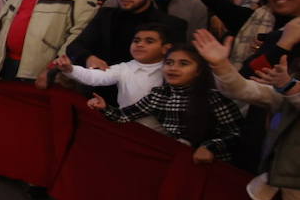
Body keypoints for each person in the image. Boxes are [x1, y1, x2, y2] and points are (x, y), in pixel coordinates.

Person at [194, 30, 300, 200]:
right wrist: (220, 65)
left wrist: (290, 88)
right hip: (270, 188)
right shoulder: (286, 90)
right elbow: (243, 89)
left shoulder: (290, 89)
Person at [88, 44, 244, 165]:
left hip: (216, 166)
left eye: (183, 64)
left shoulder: (213, 97)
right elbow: (124, 116)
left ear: (198, 71)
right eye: (169, 63)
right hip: (179, 160)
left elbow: (236, 133)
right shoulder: (160, 94)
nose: (173, 68)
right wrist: (104, 107)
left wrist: (209, 147)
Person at [67, 0, 186, 69]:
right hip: (101, 85)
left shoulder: (171, 25)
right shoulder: (106, 16)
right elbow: (75, 47)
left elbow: (175, 65)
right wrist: (88, 58)